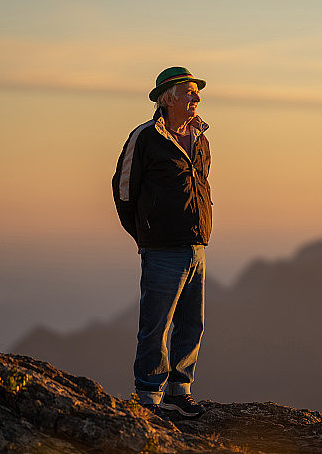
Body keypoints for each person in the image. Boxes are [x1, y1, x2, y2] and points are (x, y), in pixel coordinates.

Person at [112, 66, 213, 418]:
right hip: (161, 249)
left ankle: (179, 390)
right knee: (155, 324)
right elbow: (124, 191)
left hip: (196, 246)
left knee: (191, 322)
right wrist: (145, 235)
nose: (196, 97)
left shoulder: (201, 138)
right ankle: (148, 397)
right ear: (168, 98)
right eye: (189, 92)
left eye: (196, 92)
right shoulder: (145, 137)